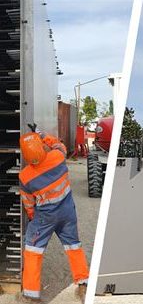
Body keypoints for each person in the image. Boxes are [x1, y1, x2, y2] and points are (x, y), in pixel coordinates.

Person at [17, 129, 88, 302]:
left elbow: (28, 202)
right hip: (67, 212)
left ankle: (31, 295)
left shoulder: (25, 177)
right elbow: (58, 144)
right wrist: (41, 135)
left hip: (45, 216)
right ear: (41, 147)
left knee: (33, 251)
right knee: (73, 246)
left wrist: (34, 218)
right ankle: (83, 282)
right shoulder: (58, 157)